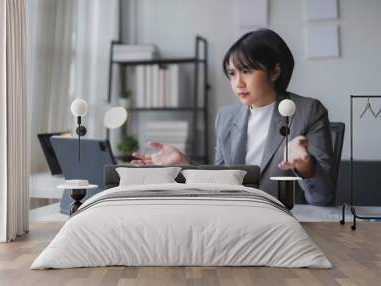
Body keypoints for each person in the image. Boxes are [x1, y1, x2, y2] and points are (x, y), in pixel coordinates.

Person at [131, 28, 335, 206]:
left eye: (246, 71)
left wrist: (306, 167)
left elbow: (323, 198)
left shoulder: (308, 112)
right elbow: (219, 184)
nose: (238, 83)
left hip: (285, 224)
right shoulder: (226, 117)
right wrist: (183, 164)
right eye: (232, 73)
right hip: (234, 218)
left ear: (274, 71)